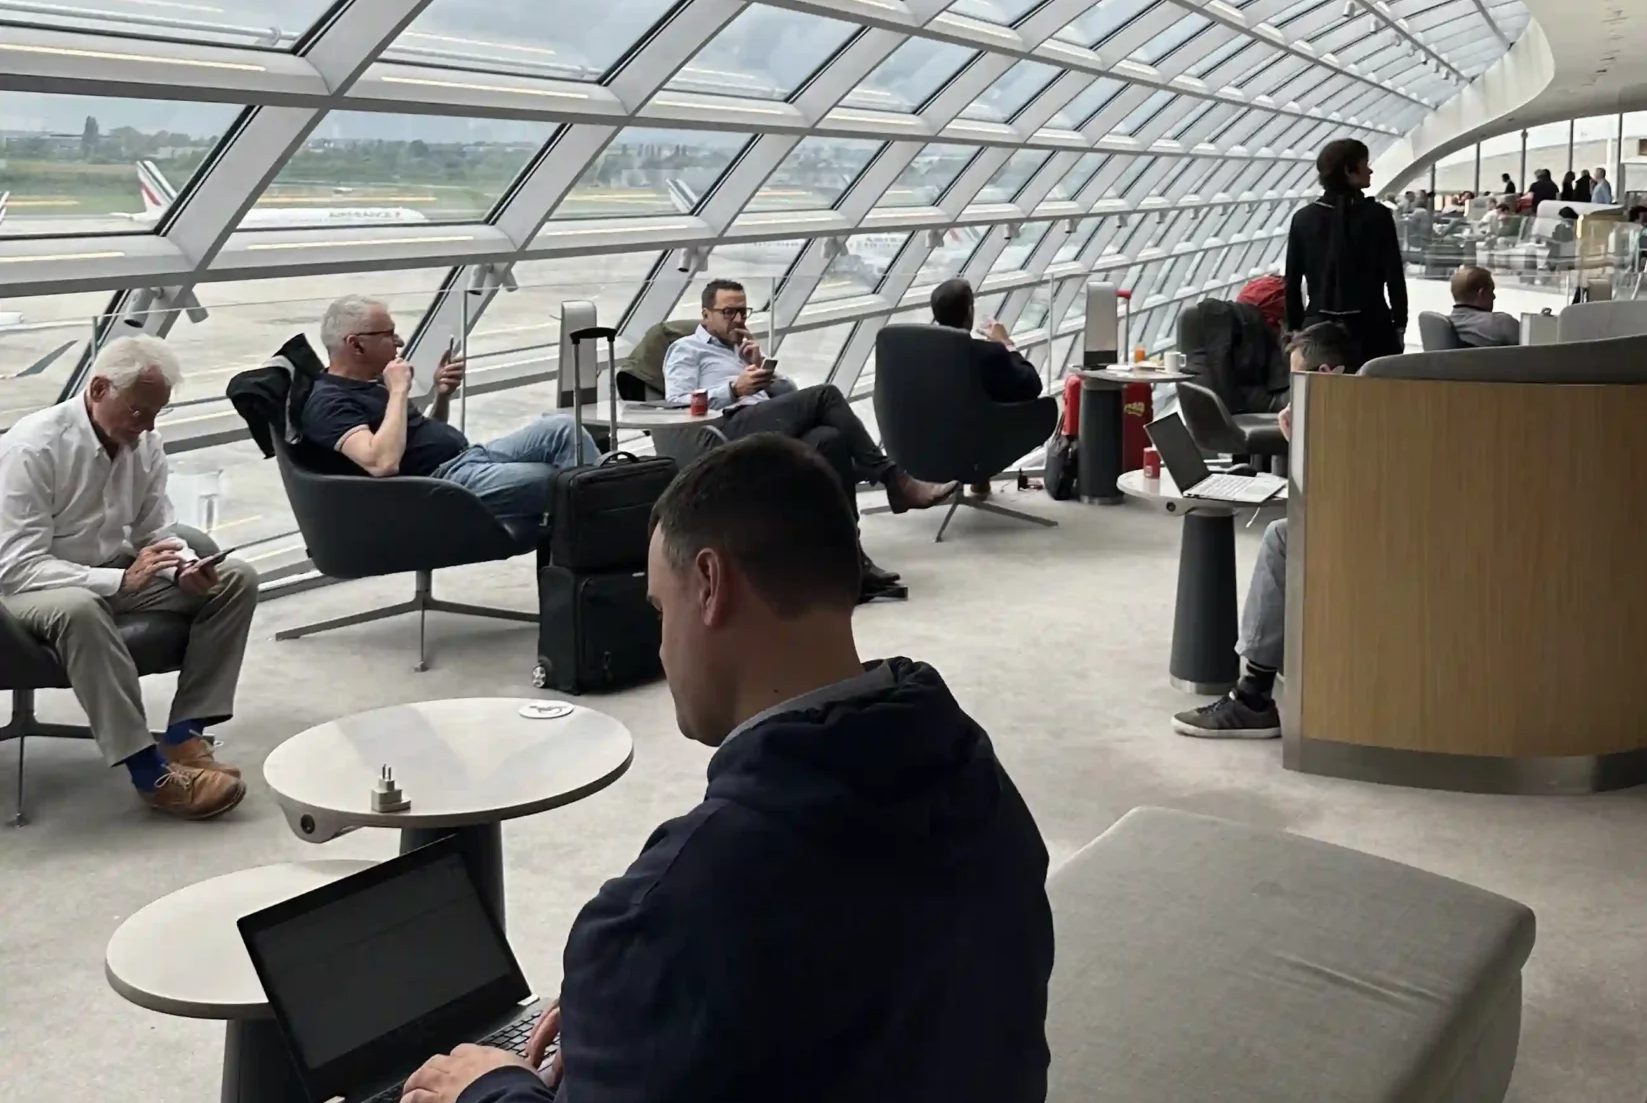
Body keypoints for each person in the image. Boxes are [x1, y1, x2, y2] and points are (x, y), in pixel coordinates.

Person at [259, 434, 1054, 1103]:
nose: (660, 638)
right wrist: (629, 1040)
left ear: (712, 584)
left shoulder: (682, 899)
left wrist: (494, 1094)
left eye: (658, 598)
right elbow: (829, 998)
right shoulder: (966, 770)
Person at [0, 335, 258, 819]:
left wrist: (182, 565)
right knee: (81, 608)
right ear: (98, 389)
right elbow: (15, 565)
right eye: (139, 412)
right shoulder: (32, 448)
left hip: (110, 573)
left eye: (157, 413)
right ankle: (150, 774)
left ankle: (184, 737)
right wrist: (119, 582)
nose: (148, 426)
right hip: (25, 590)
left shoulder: (144, 442)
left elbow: (153, 529)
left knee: (235, 579)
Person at [1172, 324, 1355, 740]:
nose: (1291, 391)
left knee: (1280, 536)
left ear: (1325, 375)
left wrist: (1300, 442)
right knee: (1282, 531)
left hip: (1370, 535)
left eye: (1296, 380)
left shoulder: (1354, 418)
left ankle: (1253, 696)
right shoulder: (1363, 403)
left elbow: (1322, 503)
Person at [300, 294, 601, 537]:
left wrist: (442, 394)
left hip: (467, 458)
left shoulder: (371, 383)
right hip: (441, 486)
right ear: (356, 344)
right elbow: (382, 463)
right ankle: (611, 537)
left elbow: (421, 436)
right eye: (388, 335)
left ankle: (605, 525)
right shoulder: (329, 402)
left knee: (562, 429)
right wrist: (398, 391)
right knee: (558, 479)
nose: (399, 342)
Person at [665, 279, 954, 527]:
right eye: (729, 312)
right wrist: (733, 388)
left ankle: (850, 551)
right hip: (726, 429)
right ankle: (896, 481)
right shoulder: (686, 349)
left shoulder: (741, 348)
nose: (739, 319)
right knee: (826, 395)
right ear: (705, 314)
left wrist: (760, 364)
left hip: (762, 419)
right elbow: (677, 402)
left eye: (743, 311)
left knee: (830, 439)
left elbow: (789, 391)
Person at [1282, 138, 1407, 364]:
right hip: (1372, 327)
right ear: (1349, 171)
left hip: (1318, 328)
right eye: (1364, 164)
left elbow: (1292, 280)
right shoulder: (1377, 216)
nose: (1370, 170)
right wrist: (1399, 323)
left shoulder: (1303, 218)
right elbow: (1394, 276)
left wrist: (1294, 328)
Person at [927, 278, 1044, 402]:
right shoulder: (990, 354)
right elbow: (1032, 385)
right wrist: (1005, 342)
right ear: (970, 311)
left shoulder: (923, 354)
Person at [1447, 264, 1521, 347]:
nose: (1494, 296)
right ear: (1481, 293)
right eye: (1491, 291)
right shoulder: (1501, 323)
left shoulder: (1440, 328)